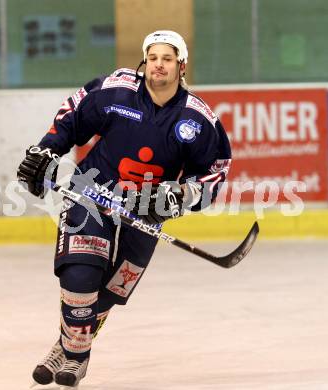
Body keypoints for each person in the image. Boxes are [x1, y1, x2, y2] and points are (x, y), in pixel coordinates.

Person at [17, 30, 231, 388]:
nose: (158, 65)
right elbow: (72, 117)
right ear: (144, 60)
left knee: (113, 289)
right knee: (80, 275)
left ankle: (64, 344)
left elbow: (215, 170)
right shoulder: (115, 89)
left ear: (182, 66)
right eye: (152, 57)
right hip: (91, 194)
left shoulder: (198, 119)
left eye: (167, 59)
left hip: (147, 211)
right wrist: (48, 150)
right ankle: (76, 356)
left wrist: (182, 195)